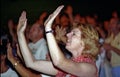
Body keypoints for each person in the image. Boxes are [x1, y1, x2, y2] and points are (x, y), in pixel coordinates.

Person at [17, 5, 99, 77]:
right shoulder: (65, 67)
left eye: (74, 34)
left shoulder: (90, 68)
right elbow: (31, 63)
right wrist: (20, 34)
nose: (67, 35)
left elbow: (59, 62)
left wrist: (48, 29)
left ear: (85, 42)